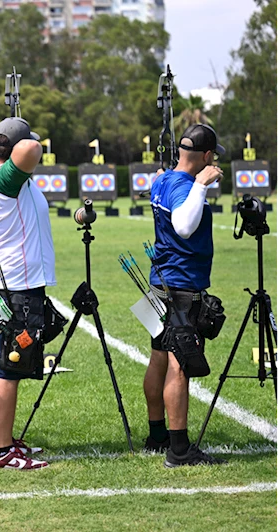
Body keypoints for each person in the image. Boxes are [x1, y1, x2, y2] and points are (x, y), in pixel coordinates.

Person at [0, 118, 54, 470]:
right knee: (8, 369)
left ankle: (3, 440)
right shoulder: (3, 180)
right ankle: (2, 450)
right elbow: (30, 149)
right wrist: (24, 139)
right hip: (16, 290)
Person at [143, 124, 226, 467]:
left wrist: (195, 183)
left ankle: (157, 434)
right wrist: (201, 185)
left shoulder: (162, 179)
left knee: (158, 356)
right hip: (181, 288)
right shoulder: (185, 186)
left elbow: (171, 190)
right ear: (207, 157)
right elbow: (184, 225)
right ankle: (178, 450)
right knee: (179, 365)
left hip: (158, 282)